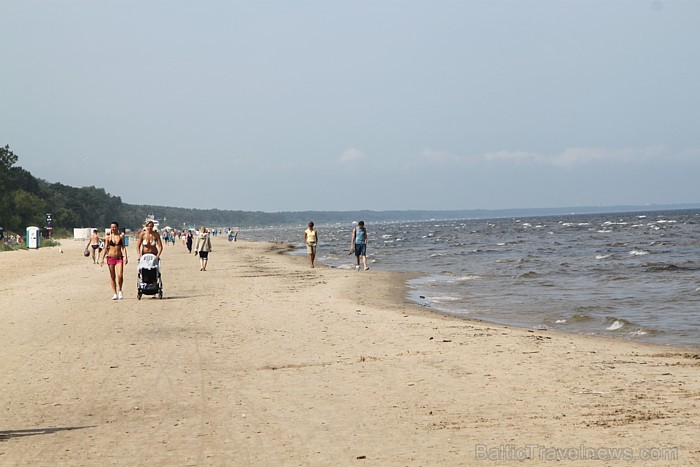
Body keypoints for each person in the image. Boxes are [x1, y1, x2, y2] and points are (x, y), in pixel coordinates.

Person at [100, 221, 128, 300]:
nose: (113, 228)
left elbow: (123, 247)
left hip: (119, 258)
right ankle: (115, 293)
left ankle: (120, 290)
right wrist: (102, 259)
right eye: (112, 227)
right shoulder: (108, 237)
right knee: (112, 276)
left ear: (117, 227)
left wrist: (126, 257)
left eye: (114, 227)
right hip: (110, 257)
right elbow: (106, 248)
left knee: (120, 275)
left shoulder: (121, 236)